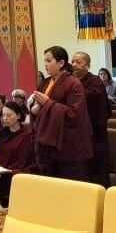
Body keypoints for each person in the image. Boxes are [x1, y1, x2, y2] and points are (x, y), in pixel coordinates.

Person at [29, 46, 93, 181]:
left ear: (61, 63)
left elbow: (74, 114)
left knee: (68, 185)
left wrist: (48, 103)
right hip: (47, 143)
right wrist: (35, 108)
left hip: (68, 146)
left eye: (49, 61)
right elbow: (36, 109)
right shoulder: (46, 83)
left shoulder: (73, 83)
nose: (45, 64)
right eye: (44, 61)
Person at [72, 51, 111, 188]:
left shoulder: (95, 81)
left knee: (95, 170)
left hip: (94, 133)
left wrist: (74, 92)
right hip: (77, 134)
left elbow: (94, 100)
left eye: (79, 62)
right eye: (73, 62)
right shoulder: (71, 80)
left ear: (88, 65)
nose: (74, 65)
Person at [0, 100, 36, 203]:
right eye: (3, 115)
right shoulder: (2, 132)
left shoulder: (26, 135)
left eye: (9, 115)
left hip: (12, 171)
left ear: (18, 116)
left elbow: (23, 162)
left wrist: (4, 170)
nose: (5, 118)